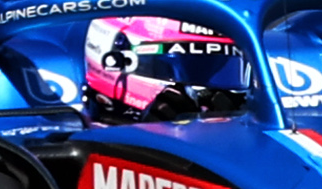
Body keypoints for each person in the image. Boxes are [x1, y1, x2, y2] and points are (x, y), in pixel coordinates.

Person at [78, 9, 245, 123]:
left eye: (214, 69)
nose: (210, 94)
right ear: (118, 61)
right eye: (192, 69)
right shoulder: (75, 149)